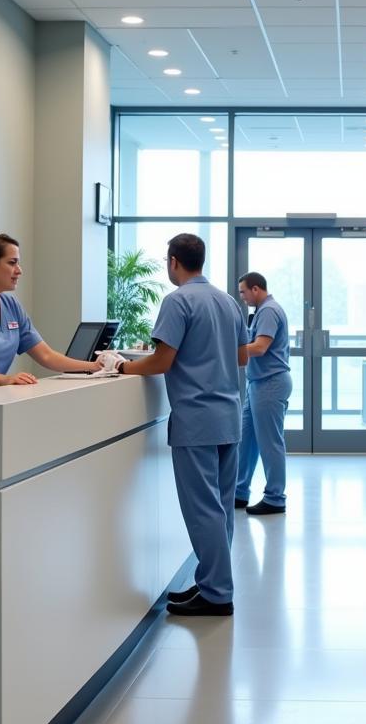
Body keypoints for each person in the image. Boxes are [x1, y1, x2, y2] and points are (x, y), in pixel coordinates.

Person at [113, 233, 248, 617]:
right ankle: (212, 584)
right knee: (220, 506)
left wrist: (123, 366)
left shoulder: (178, 301)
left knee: (203, 508)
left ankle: (218, 593)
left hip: (197, 419)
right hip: (228, 415)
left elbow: (161, 361)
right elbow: (241, 357)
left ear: (174, 261)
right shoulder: (228, 301)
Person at [0, 232, 101, 394]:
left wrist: (95, 366)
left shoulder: (11, 305)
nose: (19, 270)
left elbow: (47, 356)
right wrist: (6, 380)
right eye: (12, 263)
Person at [234, 272, 292, 516]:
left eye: (243, 292)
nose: (243, 298)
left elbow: (259, 347)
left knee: (270, 443)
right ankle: (239, 492)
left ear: (256, 289)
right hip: (256, 384)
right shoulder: (261, 312)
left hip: (270, 384)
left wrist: (227, 349)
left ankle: (275, 498)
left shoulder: (268, 311)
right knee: (246, 441)